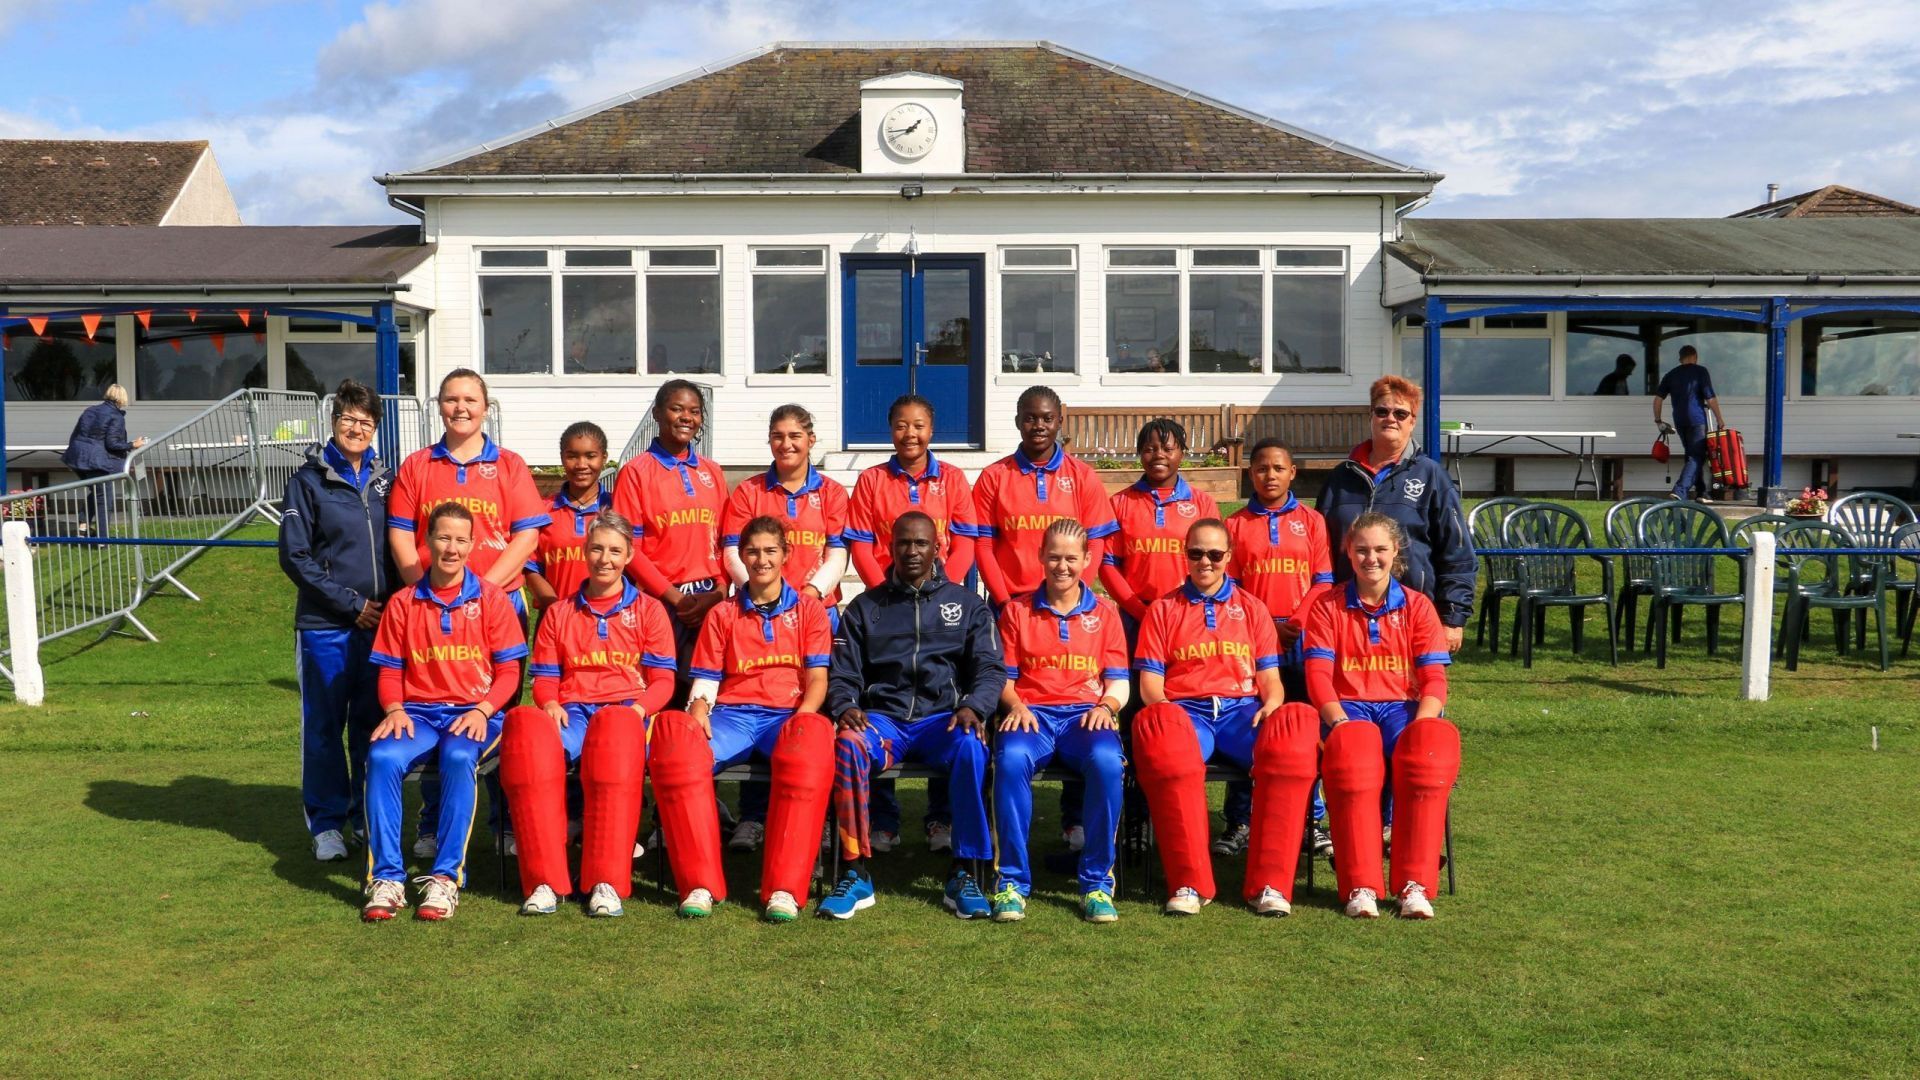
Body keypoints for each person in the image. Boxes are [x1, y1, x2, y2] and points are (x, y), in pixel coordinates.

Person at [387, 368, 549, 859]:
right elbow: (399, 533)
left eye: (470, 400)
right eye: (451, 399)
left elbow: (527, 535)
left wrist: (484, 592)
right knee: (432, 706)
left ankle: (503, 821)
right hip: (431, 610)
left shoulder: (510, 464)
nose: (461, 408)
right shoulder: (416, 465)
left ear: (485, 406)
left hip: (499, 606)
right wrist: (428, 592)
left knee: (494, 712)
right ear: (439, 406)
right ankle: (432, 822)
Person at [818, 512, 1007, 921]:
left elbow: (991, 669)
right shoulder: (865, 608)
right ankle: (854, 872)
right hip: (884, 722)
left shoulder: (967, 604)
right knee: (848, 745)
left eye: (921, 543)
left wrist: (974, 706)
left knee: (972, 749)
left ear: (938, 547)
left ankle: (965, 871)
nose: (912, 551)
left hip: (944, 720)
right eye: (904, 543)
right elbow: (843, 673)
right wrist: (846, 704)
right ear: (890, 548)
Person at [647, 516, 837, 922]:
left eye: (770, 551)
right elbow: (706, 679)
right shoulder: (723, 613)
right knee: (681, 754)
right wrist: (698, 710)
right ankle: (699, 883)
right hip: (733, 717)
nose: (762, 559)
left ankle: (785, 888)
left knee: (807, 755)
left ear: (786, 556)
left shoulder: (809, 610)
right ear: (741, 558)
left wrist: (800, 719)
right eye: (753, 551)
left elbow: (818, 680)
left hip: (786, 716)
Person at [1130, 517, 1319, 917]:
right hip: (1186, 712)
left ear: (1229, 557)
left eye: (1215, 554)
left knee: (1286, 754)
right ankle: (1189, 881)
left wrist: (1272, 703)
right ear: (1185, 555)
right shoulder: (1163, 609)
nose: (1205, 562)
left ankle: (1270, 883)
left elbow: (1270, 677)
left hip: (1241, 712)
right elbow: (1150, 683)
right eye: (1196, 553)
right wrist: (1166, 714)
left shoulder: (1252, 608)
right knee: (1174, 758)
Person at [498, 510, 678, 919]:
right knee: (532, 754)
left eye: (615, 550)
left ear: (630, 555)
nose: (605, 559)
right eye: (597, 548)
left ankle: (605, 879)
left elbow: (663, 682)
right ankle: (545, 876)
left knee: (613, 761)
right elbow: (544, 679)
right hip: (574, 714)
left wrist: (637, 710)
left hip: (627, 714)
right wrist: (549, 704)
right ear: (585, 551)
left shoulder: (649, 611)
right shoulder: (560, 613)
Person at [361, 503, 528, 922]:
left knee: (458, 758)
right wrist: (394, 708)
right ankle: (387, 879)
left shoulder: (492, 599)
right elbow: (389, 671)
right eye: (443, 537)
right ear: (427, 542)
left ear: (472, 545)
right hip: (417, 714)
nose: (451, 548)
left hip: (477, 712)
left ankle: (445, 878)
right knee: (381, 756)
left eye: (460, 540)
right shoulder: (403, 603)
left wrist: (484, 709)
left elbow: (510, 673)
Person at [1302, 512, 1459, 920]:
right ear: (1348, 554)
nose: (1371, 558)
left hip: (1402, 709)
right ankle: (1361, 884)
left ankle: (1415, 885)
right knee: (1356, 759)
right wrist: (1340, 723)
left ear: (1396, 553)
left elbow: (1434, 682)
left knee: (1425, 757)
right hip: (1347, 708)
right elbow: (1318, 679)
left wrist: (1422, 727)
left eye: (1380, 550)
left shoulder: (1417, 605)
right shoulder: (1327, 606)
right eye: (1362, 550)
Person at [844, 393, 980, 852]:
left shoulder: (954, 479)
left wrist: (947, 593)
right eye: (901, 425)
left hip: (942, 603)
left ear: (932, 430)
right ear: (890, 430)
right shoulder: (871, 480)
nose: (910, 434)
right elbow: (863, 544)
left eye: (919, 425)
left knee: (947, 699)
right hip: (888, 601)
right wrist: (881, 593)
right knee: (878, 696)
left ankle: (941, 821)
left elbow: (964, 542)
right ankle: (883, 821)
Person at [719, 405, 850, 853]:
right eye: (778, 436)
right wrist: (762, 594)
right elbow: (733, 553)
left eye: (795, 435)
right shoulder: (750, 491)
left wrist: (810, 595)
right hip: (756, 613)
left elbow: (838, 553)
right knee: (759, 701)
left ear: (811, 439)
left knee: (816, 712)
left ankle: (824, 816)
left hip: (816, 613)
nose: (786, 444)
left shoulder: (831, 492)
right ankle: (754, 818)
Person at [278, 380, 395, 863]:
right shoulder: (308, 480)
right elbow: (294, 556)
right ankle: (328, 824)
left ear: (375, 429)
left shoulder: (388, 479)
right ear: (333, 421)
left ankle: (368, 820)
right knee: (325, 726)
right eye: (349, 418)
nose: (356, 428)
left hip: (381, 627)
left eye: (366, 422)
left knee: (373, 726)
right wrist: (349, 604)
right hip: (326, 626)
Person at [991, 520, 1130, 924]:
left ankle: (1097, 884)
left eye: (1071, 558)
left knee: (1107, 764)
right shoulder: (1016, 611)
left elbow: (1119, 680)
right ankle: (1012, 883)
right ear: (1040, 557)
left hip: (1085, 718)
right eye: (1054, 556)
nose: (1062, 566)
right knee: (1011, 761)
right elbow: (1004, 678)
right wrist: (1014, 704)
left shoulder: (1105, 613)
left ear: (1087, 559)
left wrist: (1105, 708)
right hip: (1032, 717)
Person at [1094, 416, 1219, 856]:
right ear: (1139, 453)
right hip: (1135, 621)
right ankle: (1134, 820)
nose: (1158, 456)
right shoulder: (1121, 503)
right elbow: (1107, 564)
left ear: (1183, 452)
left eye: (1167, 448)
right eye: (1149, 448)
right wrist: (1137, 609)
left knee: (1176, 712)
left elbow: (1216, 565)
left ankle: (1177, 815)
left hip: (1188, 624)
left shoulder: (1202, 502)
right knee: (1135, 722)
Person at [1223, 437, 1334, 858]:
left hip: (1301, 639)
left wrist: (1297, 622)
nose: (1270, 475)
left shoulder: (1312, 521)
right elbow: (1230, 586)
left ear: (1292, 473)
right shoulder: (1235, 525)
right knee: (1249, 724)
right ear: (1250, 474)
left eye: (1278, 468)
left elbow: (1322, 580)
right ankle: (1240, 821)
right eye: (1261, 468)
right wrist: (1265, 624)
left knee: (1306, 729)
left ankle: (1312, 820)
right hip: (1252, 639)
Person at [1318, 375, 1475, 654]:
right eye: (1382, 411)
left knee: (1411, 694)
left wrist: (1452, 618)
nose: (1390, 418)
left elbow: (1457, 553)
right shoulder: (1340, 478)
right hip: (1345, 616)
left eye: (1400, 413)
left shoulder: (1431, 476)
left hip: (1410, 614)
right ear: (1371, 416)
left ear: (1412, 421)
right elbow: (1318, 552)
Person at [610, 380, 729, 701]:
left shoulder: (713, 472)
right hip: (661, 601)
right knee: (662, 693)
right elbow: (627, 549)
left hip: (709, 600)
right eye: (677, 409)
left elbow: (724, 542)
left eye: (694, 411)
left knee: (705, 696)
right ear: (658, 414)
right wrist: (675, 599)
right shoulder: (635, 472)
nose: (686, 417)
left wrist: (719, 591)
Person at [973, 385, 1118, 610]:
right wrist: (1004, 602)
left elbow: (1096, 543)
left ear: (1059, 422)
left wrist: (1075, 595)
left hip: (1068, 603)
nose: (1039, 426)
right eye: (1030, 418)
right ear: (1017, 422)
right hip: (1011, 602)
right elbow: (983, 545)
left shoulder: (1083, 476)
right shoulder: (993, 477)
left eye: (1047, 419)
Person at [523, 422, 613, 612]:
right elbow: (529, 568)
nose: (581, 465)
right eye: (572, 456)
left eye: (590, 456)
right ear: (562, 458)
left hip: (609, 619)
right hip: (555, 618)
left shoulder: (617, 508)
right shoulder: (543, 511)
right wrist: (557, 609)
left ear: (604, 458)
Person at [60, 383, 145, 537]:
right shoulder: (116, 416)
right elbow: (112, 444)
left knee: (97, 492)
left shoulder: (90, 410)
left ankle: (84, 524)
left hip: (76, 458)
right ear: (122, 398)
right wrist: (133, 444)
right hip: (96, 463)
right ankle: (103, 540)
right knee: (104, 500)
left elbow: (76, 434)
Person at [1654, 344, 1727, 502]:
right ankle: (1680, 490)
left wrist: (1658, 420)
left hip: (1680, 421)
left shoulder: (1671, 375)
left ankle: (1702, 492)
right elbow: (1710, 397)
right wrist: (1719, 418)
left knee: (1693, 455)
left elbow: (1658, 399)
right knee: (1696, 456)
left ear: (1680, 359)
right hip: (1697, 420)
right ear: (1695, 356)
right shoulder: (1700, 371)